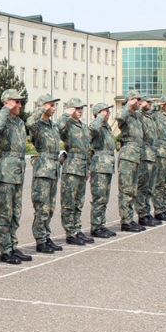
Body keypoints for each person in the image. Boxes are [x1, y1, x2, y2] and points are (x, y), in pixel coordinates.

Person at [0, 89, 32, 264]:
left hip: (17, 171)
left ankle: (13, 246)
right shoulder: (2, 120)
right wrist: (5, 109)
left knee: (15, 212)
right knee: (5, 213)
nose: (20, 105)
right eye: (16, 102)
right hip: (5, 172)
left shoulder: (20, 122)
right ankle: (5, 249)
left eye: (21, 102)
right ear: (7, 103)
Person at [26, 94, 64, 253]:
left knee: (50, 207)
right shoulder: (37, 125)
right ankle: (40, 240)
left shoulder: (53, 125)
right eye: (51, 105)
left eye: (55, 105)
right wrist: (41, 108)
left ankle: (47, 237)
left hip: (53, 168)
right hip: (43, 169)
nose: (54, 108)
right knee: (41, 206)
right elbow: (29, 122)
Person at [58, 98, 93, 246]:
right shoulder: (66, 124)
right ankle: (70, 232)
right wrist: (66, 114)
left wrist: (88, 167)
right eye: (76, 108)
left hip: (82, 167)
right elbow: (57, 129)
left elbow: (87, 148)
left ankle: (77, 229)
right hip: (71, 168)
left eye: (81, 108)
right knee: (69, 202)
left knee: (79, 202)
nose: (79, 111)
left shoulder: (83, 126)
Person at [116, 90, 146, 232]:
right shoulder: (126, 114)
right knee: (126, 189)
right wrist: (128, 104)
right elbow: (119, 117)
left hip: (136, 155)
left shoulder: (136, 116)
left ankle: (130, 218)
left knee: (133, 189)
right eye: (138, 100)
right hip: (128, 155)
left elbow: (149, 109)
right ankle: (126, 221)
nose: (140, 102)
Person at [89, 103, 117, 238]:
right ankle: (95, 226)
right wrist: (99, 118)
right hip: (99, 167)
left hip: (107, 166)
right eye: (106, 111)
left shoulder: (106, 127)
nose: (108, 113)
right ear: (99, 113)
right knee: (99, 197)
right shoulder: (96, 125)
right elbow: (92, 130)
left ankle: (101, 224)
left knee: (104, 198)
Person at [136, 94, 162, 227]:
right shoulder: (138, 115)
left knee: (150, 187)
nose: (149, 104)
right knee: (143, 187)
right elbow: (134, 111)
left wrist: (156, 104)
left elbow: (157, 108)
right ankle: (142, 214)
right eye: (147, 102)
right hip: (144, 156)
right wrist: (141, 105)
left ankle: (147, 212)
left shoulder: (150, 116)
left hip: (153, 155)